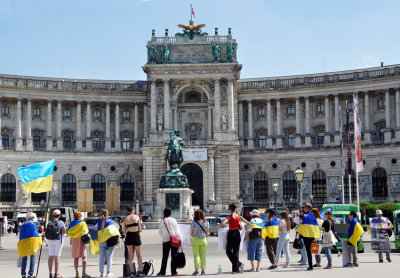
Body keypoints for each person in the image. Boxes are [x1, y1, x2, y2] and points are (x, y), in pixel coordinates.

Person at [217, 203, 250, 273]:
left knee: (228, 251)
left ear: (229, 209)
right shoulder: (239, 217)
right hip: (237, 234)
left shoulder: (229, 216)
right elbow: (248, 222)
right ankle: (236, 269)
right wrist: (247, 226)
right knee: (236, 252)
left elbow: (223, 223)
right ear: (235, 209)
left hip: (231, 233)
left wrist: (218, 226)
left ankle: (239, 264)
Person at [157, 208, 183, 276]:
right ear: (170, 213)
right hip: (174, 240)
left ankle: (162, 272)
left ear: (164, 213)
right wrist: (180, 238)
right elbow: (177, 230)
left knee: (165, 257)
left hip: (166, 240)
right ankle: (173, 272)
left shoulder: (162, 221)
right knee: (174, 256)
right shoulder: (173, 220)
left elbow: (160, 233)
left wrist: (163, 235)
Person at [67, 211, 91, 278]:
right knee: (84, 257)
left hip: (74, 241)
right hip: (81, 240)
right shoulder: (82, 223)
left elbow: (68, 232)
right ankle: (83, 273)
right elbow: (85, 231)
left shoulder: (71, 223)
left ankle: (77, 274)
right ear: (80, 216)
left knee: (76, 258)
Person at [18, 212, 41, 278]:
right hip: (31, 243)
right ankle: (30, 274)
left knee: (24, 259)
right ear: (30, 218)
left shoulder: (23, 225)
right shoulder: (33, 225)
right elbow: (35, 235)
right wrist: (41, 235)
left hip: (24, 243)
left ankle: (23, 274)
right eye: (33, 217)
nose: (33, 218)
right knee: (32, 258)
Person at [123, 205, 145, 277]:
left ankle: (132, 272)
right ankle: (140, 271)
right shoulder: (137, 217)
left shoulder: (126, 218)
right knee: (139, 255)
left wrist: (128, 233)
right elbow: (139, 229)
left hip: (129, 235)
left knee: (130, 256)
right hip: (135, 234)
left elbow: (124, 230)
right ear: (133, 210)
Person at [297, 203, 320, 271]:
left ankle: (310, 266)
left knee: (308, 251)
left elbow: (302, 223)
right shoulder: (313, 215)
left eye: (304, 207)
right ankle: (311, 265)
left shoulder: (305, 216)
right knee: (311, 250)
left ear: (307, 208)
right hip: (312, 235)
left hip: (306, 235)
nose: (303, 208)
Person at [97, 209, 120, 277]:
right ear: (107, 214)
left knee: (101, 257)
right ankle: (108, 272)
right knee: (109, 257)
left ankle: (101, 273)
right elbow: (114, 231)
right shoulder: (111, 222)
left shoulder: (99, 221)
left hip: (102, 240)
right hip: (110, 240)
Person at [46, 209, 66, 278]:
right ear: (59, 215)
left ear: (53, 215)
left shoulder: (49, 222)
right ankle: (56, 274)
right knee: (57, 256)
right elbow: (63, 232)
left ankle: (50, 274)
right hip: (58, 240)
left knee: (51, 256)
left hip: (50, 240)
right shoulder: (61, 222)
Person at [190, 209, 209, 276]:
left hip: (195, 240)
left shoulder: (193, 223)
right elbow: (207, 232)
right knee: (203, 256)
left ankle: (196, 271)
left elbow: (190, 233)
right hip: (203, 240)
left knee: (196, 256)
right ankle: (203, 271)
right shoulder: (206, 222)